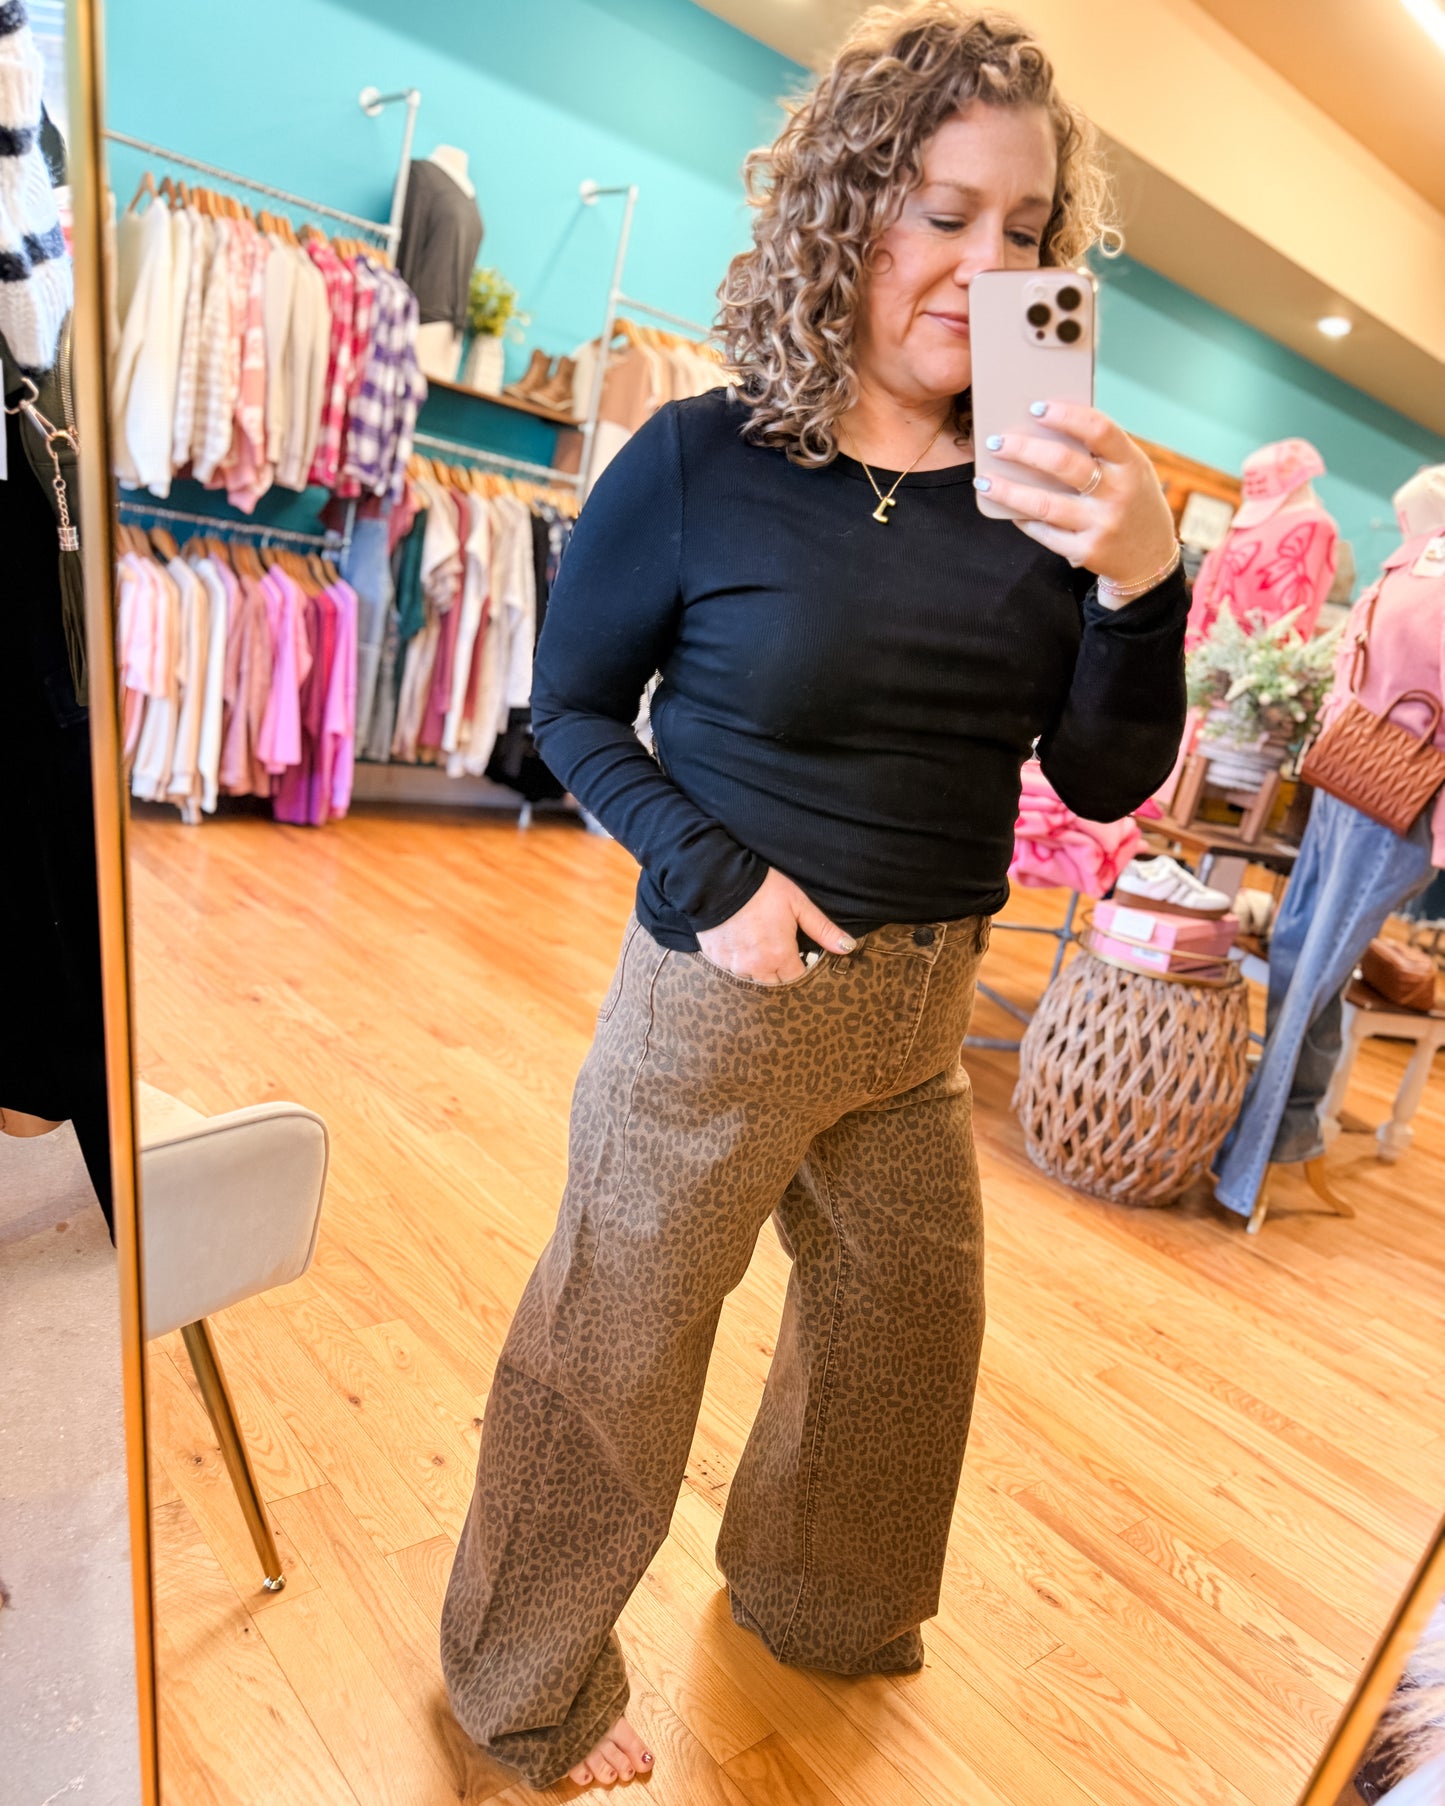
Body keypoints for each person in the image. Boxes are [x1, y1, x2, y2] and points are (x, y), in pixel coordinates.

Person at [440, 2, 1187, 1789]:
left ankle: (819, 1606)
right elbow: (564, 714)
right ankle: (516, 1684)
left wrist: (1145, 579)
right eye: (939, 212)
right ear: (846, 212)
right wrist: (715, 879)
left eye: (1023, 231)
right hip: (727, 989)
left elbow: (1096, 776)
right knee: (612, 1345)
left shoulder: (1055, 495)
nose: (979, 264)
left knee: (901, 1341)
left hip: (922, 1013)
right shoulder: (702, 458)